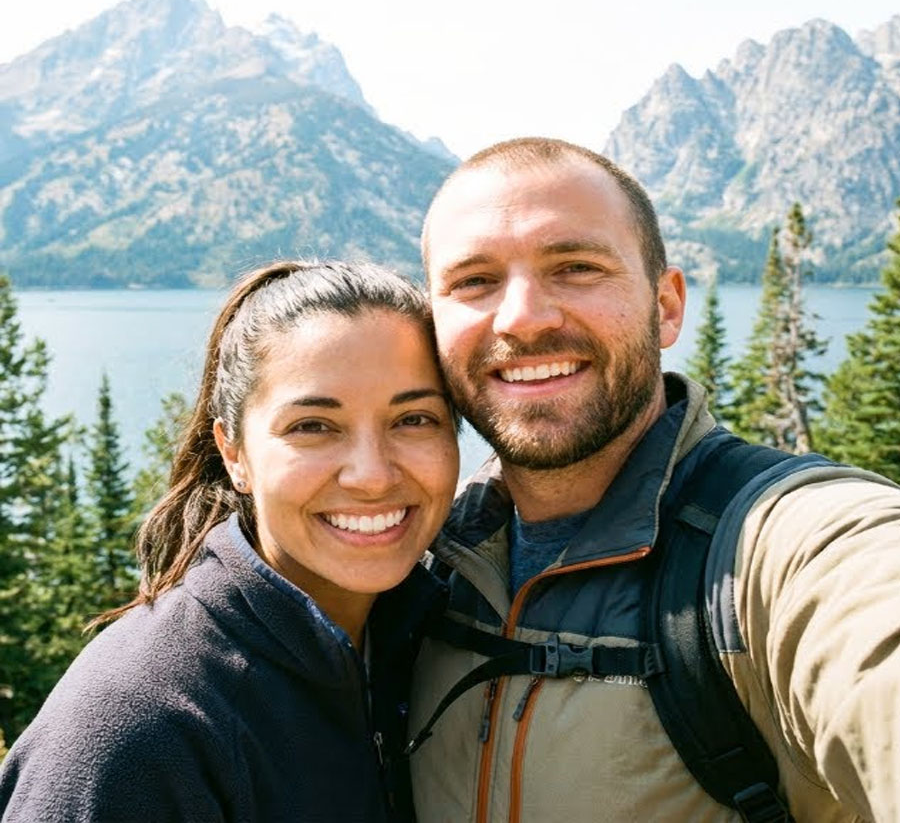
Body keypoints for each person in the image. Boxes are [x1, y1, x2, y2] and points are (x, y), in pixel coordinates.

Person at [409, 137, 900, 822]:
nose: (522, 318)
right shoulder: (414, 563)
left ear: (667, 306)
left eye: (576, 267)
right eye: (473, 282)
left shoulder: (782, 554)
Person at [0, 260, 459, 822]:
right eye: (312, 426)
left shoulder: (434, 644)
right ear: (233, 453)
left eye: (414, 419)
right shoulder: (143, 722)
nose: (373, 475)